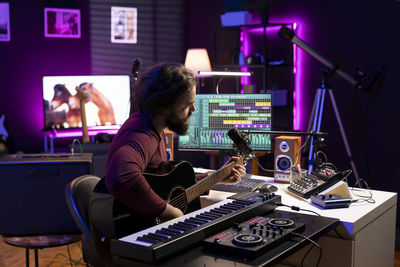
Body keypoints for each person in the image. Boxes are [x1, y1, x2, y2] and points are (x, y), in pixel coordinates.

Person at [104, 62, 246, 228]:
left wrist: (216, 178)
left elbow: (164, 187)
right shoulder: (142, 134)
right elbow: (122, 176)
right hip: (134, 230)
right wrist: (167, 212)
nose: (193, 108)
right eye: (187, 104)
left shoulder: (155, 128)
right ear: (164, 105)